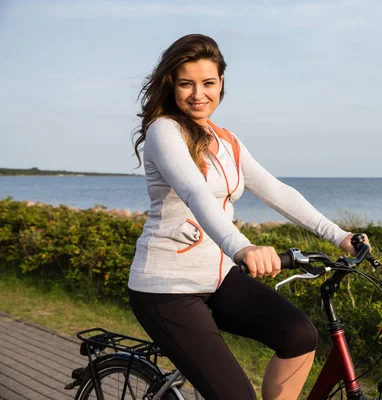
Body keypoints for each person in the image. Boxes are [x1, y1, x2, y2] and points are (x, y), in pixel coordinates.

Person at [128, 33, 367, 400]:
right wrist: (243, 247)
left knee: (299, 335)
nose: (198, 94)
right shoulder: (165, 131)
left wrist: (339, 236)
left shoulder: (227, 140)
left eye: (208, 83)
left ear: (221, 82)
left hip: (218, 276)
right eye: (186, 84)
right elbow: (195, 192)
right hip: (167, 288)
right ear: (170, 85)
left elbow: (278, 191)